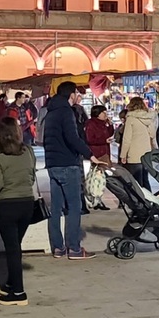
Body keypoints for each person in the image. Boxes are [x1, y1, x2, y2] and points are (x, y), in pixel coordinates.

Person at [42, 81, 101, 259]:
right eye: (77, 93)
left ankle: (58, 248)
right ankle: (74, 248)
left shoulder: (50, 112)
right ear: (71, 94)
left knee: (56, 208)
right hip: (68, 164)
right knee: (74, 207)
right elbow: (72, 138)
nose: (78, 96)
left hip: (53, 164)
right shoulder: (66, 112)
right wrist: (89, 155)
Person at [0, 117, 36, 306]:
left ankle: (19, 293)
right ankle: (10, 282)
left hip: (7, 204)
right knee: (16, 244)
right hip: (27, 203)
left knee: (13, 249)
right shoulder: (28, 151)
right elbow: (31, 178)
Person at [120, 97, 156, 188]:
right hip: (146, 154)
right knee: (145, 180)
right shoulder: (149, 118)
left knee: (136, 183)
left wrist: (123, 155)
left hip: (134, 155)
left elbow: (127, 139)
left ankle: (139, 201)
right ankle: (149, 200)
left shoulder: (130, 118)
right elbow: (152, 134)